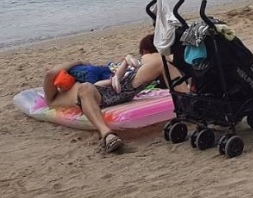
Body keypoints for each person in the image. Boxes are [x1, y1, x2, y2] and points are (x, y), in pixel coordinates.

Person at [42, 35, 174, 153]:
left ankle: (181, 99)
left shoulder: (70, 88)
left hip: (115, 90)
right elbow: (50, 74)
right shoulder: (53, 99)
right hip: (100, 97)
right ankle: (107, 135)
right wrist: (78, 62)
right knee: (85, 87)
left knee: (160, 62)